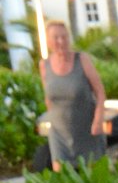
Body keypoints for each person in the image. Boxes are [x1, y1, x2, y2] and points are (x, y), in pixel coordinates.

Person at [38, 20, 106, 170]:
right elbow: (48, 98)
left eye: (64, 36)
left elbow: (100, 92)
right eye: (56, 37)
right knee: (62, 179)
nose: (61, 41)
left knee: (93, 177)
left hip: (87, 129)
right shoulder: (44, 65)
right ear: (48, 41)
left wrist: (99, 119)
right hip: (59, 132)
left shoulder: (82, 59)